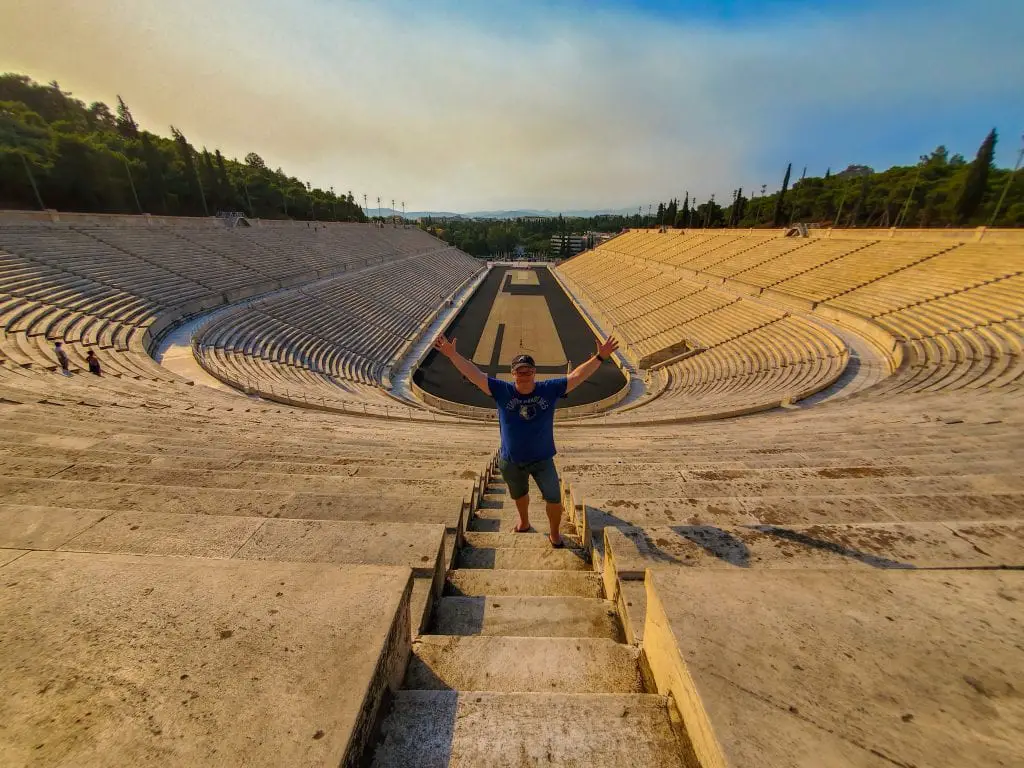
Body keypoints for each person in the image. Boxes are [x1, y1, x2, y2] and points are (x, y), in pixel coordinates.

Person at [432, 333, 619, 547]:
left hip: (543, 459)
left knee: (554, 499)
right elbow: (474, 374)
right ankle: (524, 521)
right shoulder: (502, 390)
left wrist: (600, 357)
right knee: (519, 495)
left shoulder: (548, 389)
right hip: (511, 461)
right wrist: (451, 355)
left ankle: (555, 533)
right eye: (520, 371)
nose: (524, 374)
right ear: (513, 373)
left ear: (534, 372)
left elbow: (576, 376)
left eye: (528, 370)